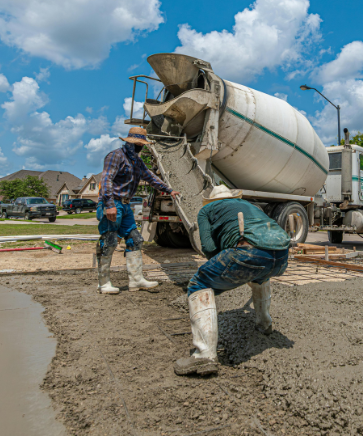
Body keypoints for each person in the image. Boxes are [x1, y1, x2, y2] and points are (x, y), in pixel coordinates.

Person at [174, 185, 291, 376]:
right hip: (281, 258)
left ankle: (204, 355)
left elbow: (208, 246)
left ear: (212, 200)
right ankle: (264, 325)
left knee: (199, 283)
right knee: (260, 278)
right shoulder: (249, 205)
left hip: (248, 252)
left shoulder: (206, 210)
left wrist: (226, 266)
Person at [96, 126, 180, 295]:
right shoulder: (116, 156)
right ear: (132, 143)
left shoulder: (137, 161)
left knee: (135, 239)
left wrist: (169, 189)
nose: (141, 147)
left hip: (126, 206)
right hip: (113, 203)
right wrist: (110, 204)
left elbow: (150, 177)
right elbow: (106, 180)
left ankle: (136, 280)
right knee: (110, 240)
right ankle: (103, 283)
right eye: (139, 144)